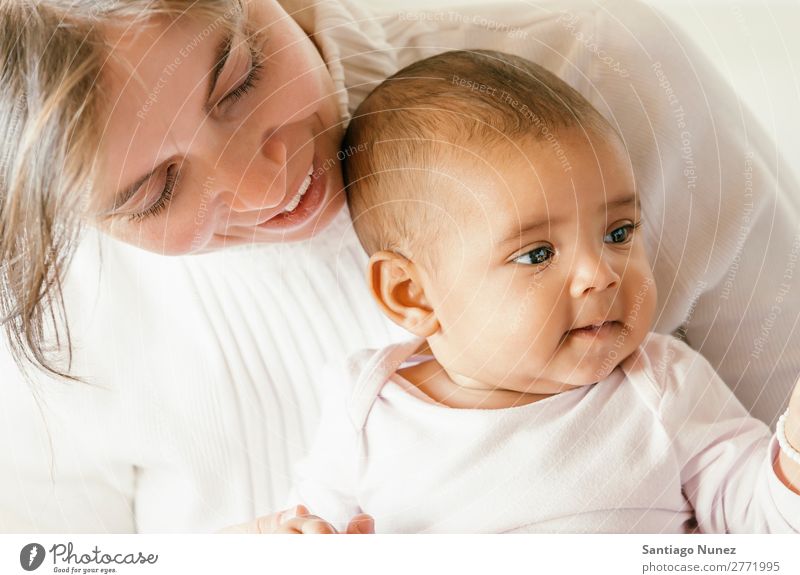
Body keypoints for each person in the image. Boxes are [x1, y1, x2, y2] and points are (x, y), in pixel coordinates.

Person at [0, 0, 797, 533]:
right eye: (155, 192)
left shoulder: (591, 62)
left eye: (241, 78)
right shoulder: (48, 296)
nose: (267, 184)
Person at [284, 49, 800, 533]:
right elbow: (310, 530)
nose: (600, 274)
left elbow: (765, 527)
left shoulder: (661, 386)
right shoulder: (367, 409)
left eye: (619, 233)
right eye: (536, 254)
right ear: (412, 295)